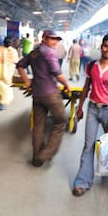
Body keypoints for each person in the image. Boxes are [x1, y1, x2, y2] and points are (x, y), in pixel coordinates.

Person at [72, 33, 108, 197]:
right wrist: (79, 107)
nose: (107, 50)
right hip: (93, 109)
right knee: (88, 145)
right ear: (101, 46)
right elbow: (86, 87)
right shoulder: (91, 66)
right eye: (105, 46)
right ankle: (82, 182)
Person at [16, 30, 71, 167]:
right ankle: (45, 154)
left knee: (38, 126)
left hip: (37, 94)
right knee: (60, 121)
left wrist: (28, 83)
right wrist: (67, 85)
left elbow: (20, 65)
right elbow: (57, 74)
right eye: (52, 39)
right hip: (51, 94)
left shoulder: (35, 52)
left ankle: (36, 159)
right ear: (44, 38)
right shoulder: (50, 52)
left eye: (56, 40)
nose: (55, 42)